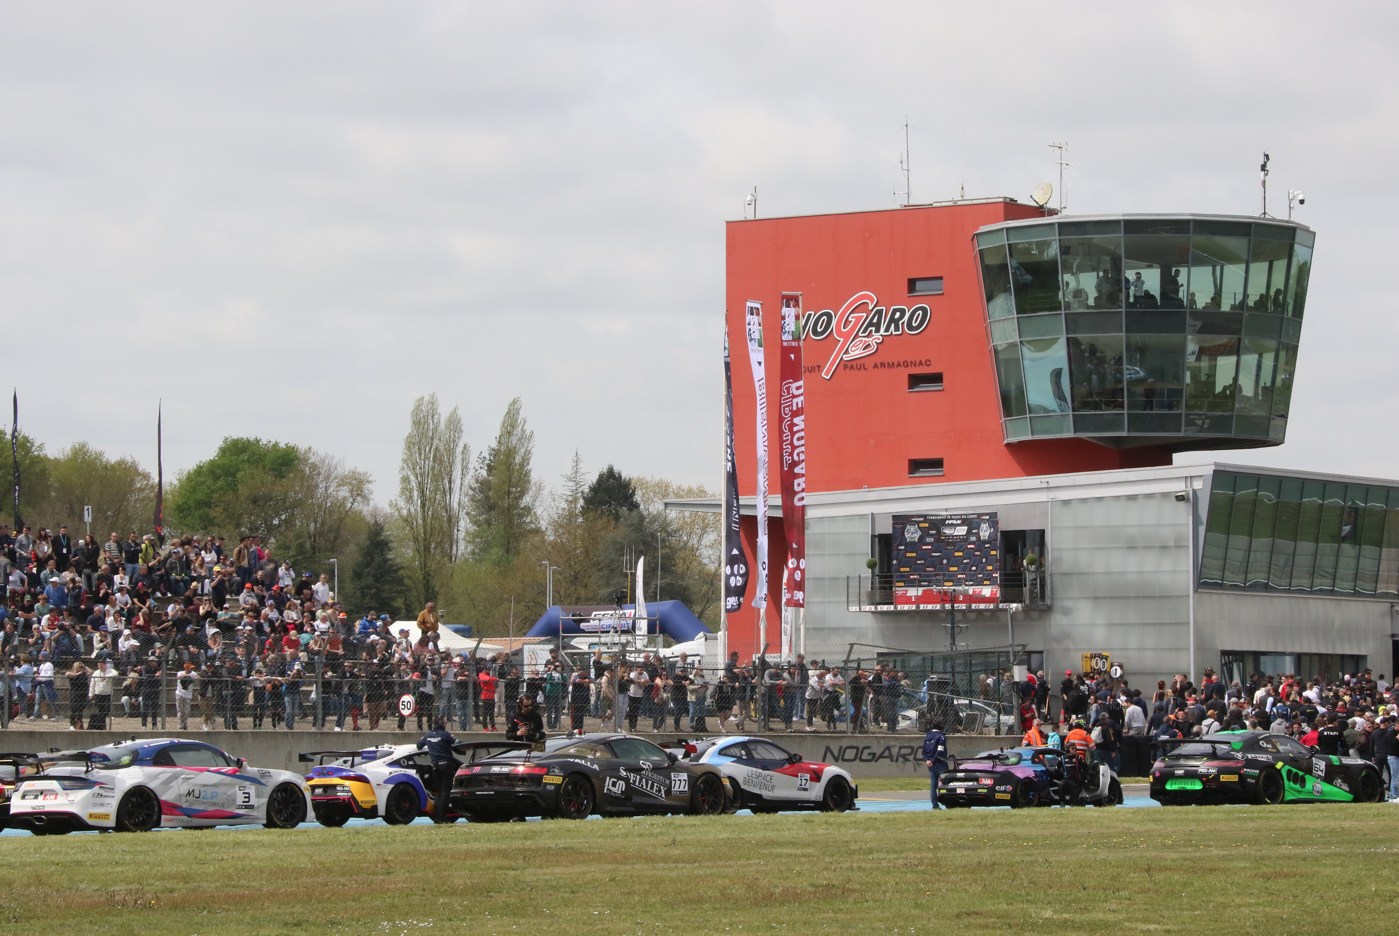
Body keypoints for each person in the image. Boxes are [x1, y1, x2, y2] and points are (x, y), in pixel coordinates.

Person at [416, 716, 460, 823]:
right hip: (446, 765)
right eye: (445, 722)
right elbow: (459, 743)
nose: (445, 724)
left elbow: (418, 745)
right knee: (445, 792)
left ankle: (437, 818)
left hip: (435, 767)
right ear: (441, 724)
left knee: (439, 792)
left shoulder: (428, 735)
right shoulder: (446, 735)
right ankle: (442, 817)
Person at [922, 719, 948, 808]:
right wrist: (933, 760)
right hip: (939, 762)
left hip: (930, 764)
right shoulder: (941, 737)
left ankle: (935, 804)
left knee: (933, 785)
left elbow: (924, 750)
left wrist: (927, 760)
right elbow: (940, 751)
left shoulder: (928, 736)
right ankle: (948, 802)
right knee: (946, 783)